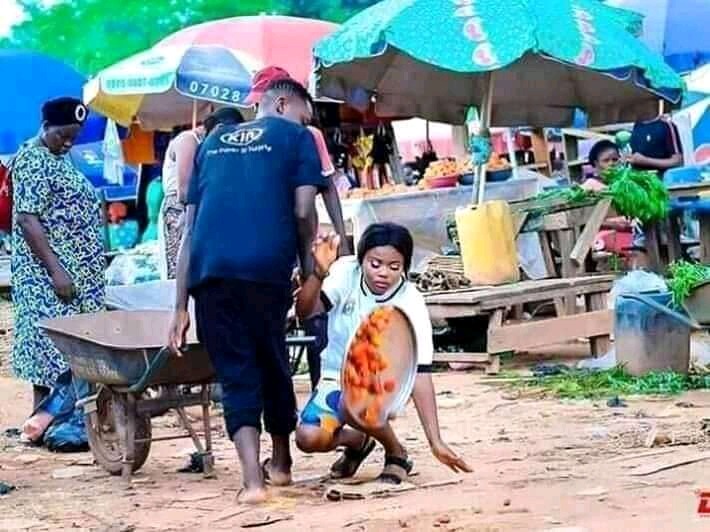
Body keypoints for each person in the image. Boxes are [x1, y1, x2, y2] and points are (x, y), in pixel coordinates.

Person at [168, 78, 325, 504]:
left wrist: (180, 306)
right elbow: (304, 209)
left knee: (236, 371)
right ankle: (283, 463)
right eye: (303, 115)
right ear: (280, 103)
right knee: (272, 360)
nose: (306, 124)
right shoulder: (297, 138)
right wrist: (309, 265)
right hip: (264, 269)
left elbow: (190, 229)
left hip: (210, 273)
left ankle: (252, 482)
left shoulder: (213, 141)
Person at [294, 223, 471, 484]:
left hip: (384, 386)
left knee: (352, 402)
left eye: (394, 267)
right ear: (361, 259)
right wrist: (319, 274)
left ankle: (396, 452)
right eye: (375, 264)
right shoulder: (345, 272)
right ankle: (357, 440)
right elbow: (306, 312)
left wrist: (436, 440)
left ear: (405, 267)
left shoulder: (410, 301)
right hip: (335, 379)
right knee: (308, 438)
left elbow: (420, 374)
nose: (383, 274)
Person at [246, 66, 351, 390]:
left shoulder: (308, 135)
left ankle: (324, 383)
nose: (255, 111)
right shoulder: (253, 137)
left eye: (258, 103)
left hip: (303, 240)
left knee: (314, 308)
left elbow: (327, 185)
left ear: (278, 102)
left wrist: (341, 235)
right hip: (274, 241)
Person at [11, 97, 105, 438]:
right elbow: (27, 218)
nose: (67, 142)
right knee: (53, 348)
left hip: (76, 272)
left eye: (74, 136)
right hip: (49, 275)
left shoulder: (59, 157)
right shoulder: (34, 159)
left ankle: (45, 422)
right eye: (62, 135)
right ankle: (54, 423)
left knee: (65, 346)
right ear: (45, 127)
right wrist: (56, 271)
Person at [158, 107, 244, 280]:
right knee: (179, 271)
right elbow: (185, 190)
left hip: (201, 206)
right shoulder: (189, 140)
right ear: (218, 129)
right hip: (179, 208)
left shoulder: (211, 146)